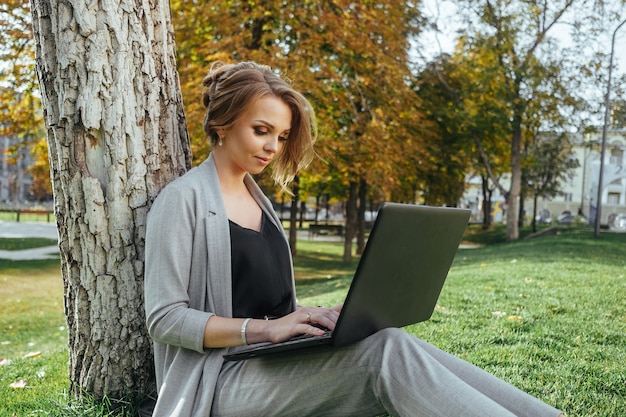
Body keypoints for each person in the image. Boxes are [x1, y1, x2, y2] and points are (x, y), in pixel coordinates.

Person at [144, 61, 564, 417]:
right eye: (262, 130)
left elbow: (270, 307)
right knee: (384, 356)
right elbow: (164, 318)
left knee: (388, 339)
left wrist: (311, 317)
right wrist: (263, 331)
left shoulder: (260, 203)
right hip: (220, 382)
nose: (274, 146)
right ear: (222, 122)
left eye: (283, 136)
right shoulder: (182, 201)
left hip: (266, 364)